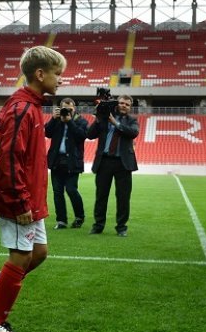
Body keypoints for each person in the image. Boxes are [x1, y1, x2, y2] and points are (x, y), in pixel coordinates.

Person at [0, 46, 66, 332]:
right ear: (40, 74)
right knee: (21, 256)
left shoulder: (32, 106)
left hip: (31, 198)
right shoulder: (22, 108)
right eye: (57, 74)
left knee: (38, 254)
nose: (60, 80)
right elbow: (10, 160)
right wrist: (21, 202)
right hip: (19, 199)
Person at [87, 94, 140, 237]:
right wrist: (98, 119)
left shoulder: (132, 121)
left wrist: (115, 122)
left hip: (123, 164)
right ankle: (98, 226)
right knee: (101, 196)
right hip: (104, 161)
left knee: (123, 197)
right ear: (117, 103)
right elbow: (90, 135)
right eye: (121, 103)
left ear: (130, 107)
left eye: (127, 104)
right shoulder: (104, 118)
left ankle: (121, 227)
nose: (123, 106)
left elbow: (133, 133)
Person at [45, 97, 88, 229]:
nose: (67, 111)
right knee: (57, 192)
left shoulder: (81, 121)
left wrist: (69, 122)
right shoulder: (56, 120)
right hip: (56, 160)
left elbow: (82, 135)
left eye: (69, 109)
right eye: (65, 108)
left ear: (74, 109)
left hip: (72, 161)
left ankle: (80, 216)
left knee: (71, 190)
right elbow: (47, 133)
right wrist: (53, 118)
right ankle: (61, 221)